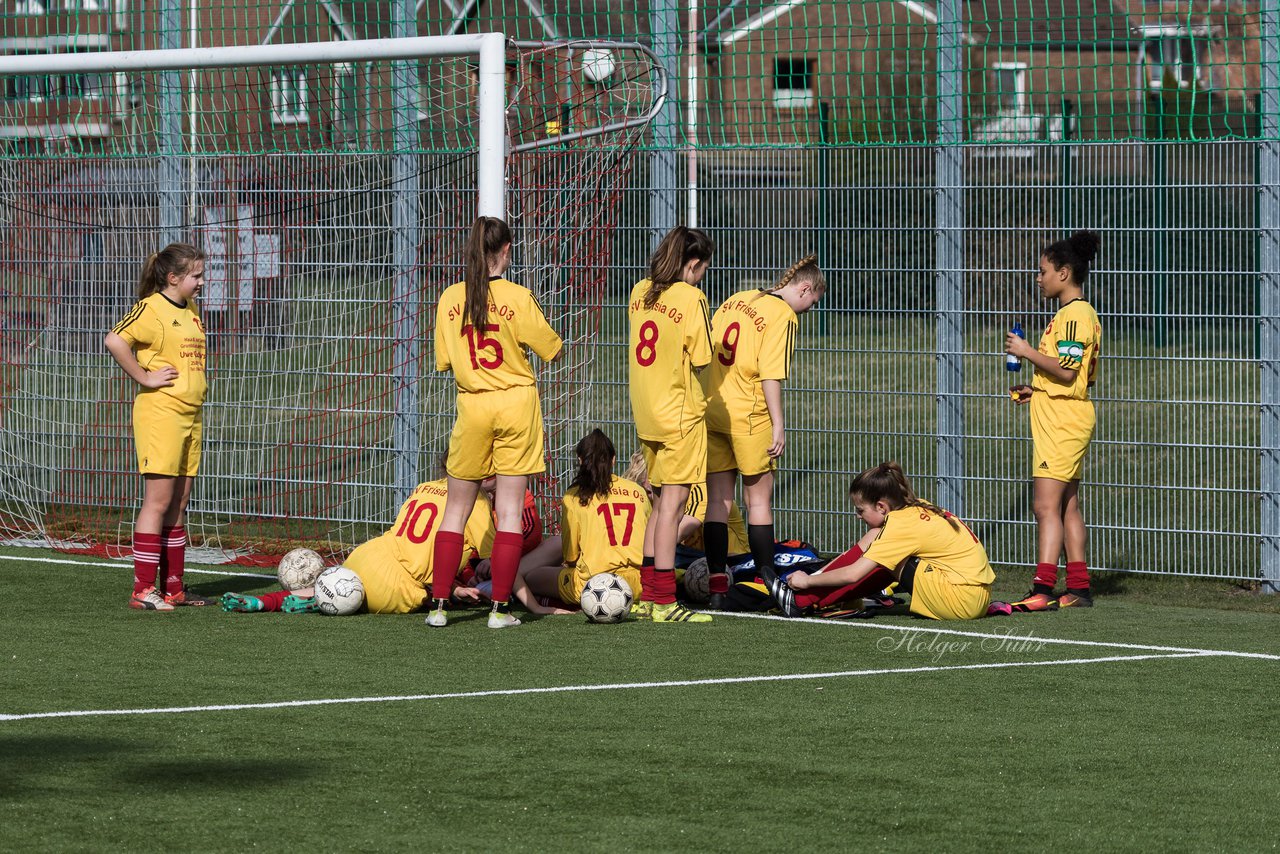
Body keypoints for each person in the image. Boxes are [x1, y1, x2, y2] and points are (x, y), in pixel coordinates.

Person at [426, 216, 563, 629]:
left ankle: (438, 607)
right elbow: (552, 349)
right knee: (507, 512)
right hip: (515, 404)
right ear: (506, 250)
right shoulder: (518, 296)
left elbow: (445, 361)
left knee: (455, 511)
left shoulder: (450, 297)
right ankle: (500, 610)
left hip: (472, 404)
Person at [220, 479, 566, 616]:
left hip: (368, 553)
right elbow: (504, 567)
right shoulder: (477, 510)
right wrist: (536, 607)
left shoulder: (424, 487)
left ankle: (267, 600)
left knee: (337, 585)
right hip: (399, 584)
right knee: (488, 585)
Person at [703, 255, 825, 613]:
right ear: (804, 288)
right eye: (812, 302)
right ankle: (770, 584)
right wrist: (778, 423)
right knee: (757, 501)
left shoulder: (739, 298)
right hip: (748, 415)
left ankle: (715, 589)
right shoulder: (783, 316)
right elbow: (770, 373)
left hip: (713, 408)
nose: (808, 309)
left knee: (718, 503)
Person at [104, 243, 213, 611]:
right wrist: (145, 377)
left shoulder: (191, 308)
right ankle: (142, 590)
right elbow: (114, 340)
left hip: (191, 414)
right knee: (159, 501)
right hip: (161, 414)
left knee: (179, 502)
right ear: (173, 278)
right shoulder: (151, 308)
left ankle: (173, 589)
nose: (201, 282)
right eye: (196, 276)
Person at [1004, 230, 1102, 611]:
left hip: (1063, 422)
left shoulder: (1076, 314)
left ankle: (1042, 588)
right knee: (1066, 506)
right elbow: (1065, 376)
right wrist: (1036, 390)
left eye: (1042, 271)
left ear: (1063, 273)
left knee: (1044, 507)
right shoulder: (1071, 314)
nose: (1038, 278)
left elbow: (1066, 370)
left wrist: (1026, 351)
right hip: (1061, 412)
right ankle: (1078, 588)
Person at [627, 225, 715, 623]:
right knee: (673, 509)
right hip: (679, 416)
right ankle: (664, 601)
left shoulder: (639, 291)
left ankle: (648, 595)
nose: (702, 277)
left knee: (659, 505)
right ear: (692, 265)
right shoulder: (692, 298)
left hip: (646, 414)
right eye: (703, 269)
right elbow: (701, 358)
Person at [786, 462, 995, 621]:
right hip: (976, 597)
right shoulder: (917, 506)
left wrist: (807, 581)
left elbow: (853, 574)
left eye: (861, 510)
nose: (858, 516)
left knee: (885, 557)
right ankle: (831, 598)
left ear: (881, 507)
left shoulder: (900, 524)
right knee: (878, 540)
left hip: (960, 601)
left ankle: (803, 600)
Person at [518, 429, 650, 609]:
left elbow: (571, 557)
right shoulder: (637, 491)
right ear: (613, 459)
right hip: (639, 583)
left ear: (580, 460)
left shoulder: (573, 496)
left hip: (592, 584)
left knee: (534, 577)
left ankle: (558, 604)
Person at [621, 449, 749, 556]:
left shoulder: (699, 488)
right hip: (692, 557)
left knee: (662, 551)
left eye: (654, 486)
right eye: (647, 491)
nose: (652, 496)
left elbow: (678, 532)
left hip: (732, 558)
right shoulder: (648, 499)